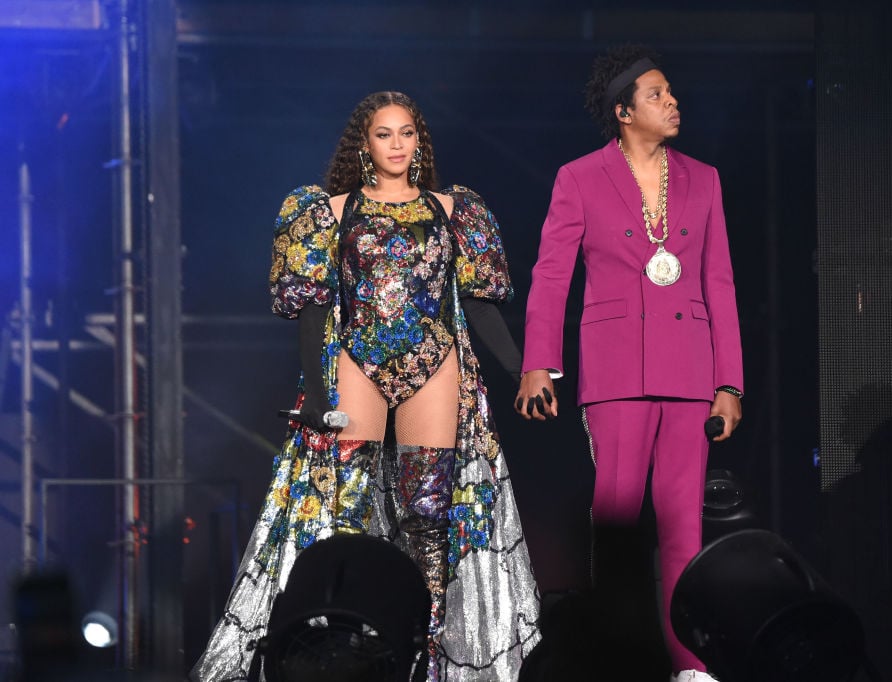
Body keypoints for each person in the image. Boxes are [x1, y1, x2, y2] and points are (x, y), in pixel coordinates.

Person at [192, 91, 540, 681]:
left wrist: (521, 370)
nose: (398, 144)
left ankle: (423, 655)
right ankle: (348, 644)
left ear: (419, 142)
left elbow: (480, 307)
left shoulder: (455, 210)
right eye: (385, 134)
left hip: (434, 359)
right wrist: (319, 395)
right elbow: (312, 309)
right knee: (345, 508)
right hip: (357, 358)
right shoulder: (327, 211)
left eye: (408, 133)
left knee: (427, 514)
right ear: (365, 143)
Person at [515, 46, 743, 682]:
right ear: (623, 112)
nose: (673, 102)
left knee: (683, 526)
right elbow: (553, 272)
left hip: (691, 370)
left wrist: (729, 381)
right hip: (616, 372)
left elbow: (719, 283)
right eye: (657, 94)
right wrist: (539, 362)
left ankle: (690, 665)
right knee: (615, 523)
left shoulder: (704, 178)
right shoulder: (580, 177)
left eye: (671, 92)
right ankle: (612, 657)